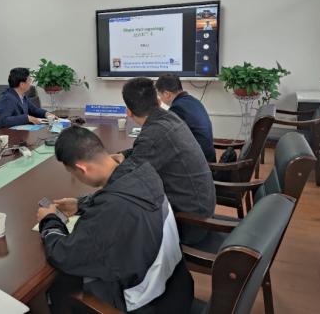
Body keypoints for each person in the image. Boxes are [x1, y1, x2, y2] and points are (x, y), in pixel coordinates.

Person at [37, 126, 194, 314]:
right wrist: (81, 203)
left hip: (151, 305)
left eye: (72, 173)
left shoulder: (111, 210)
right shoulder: (142, 171)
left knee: (60, 287)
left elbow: (65, 255)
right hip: (177, 288)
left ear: (82, 168)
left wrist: (49, 220)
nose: (75, 177)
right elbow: (120, 197)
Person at [113, 77, 216, 245]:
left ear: (128, 112)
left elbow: (124, 180)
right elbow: (153, 149)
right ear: (159, 102)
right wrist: (124, 155)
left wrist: (83, 202)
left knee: (120, 215)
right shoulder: (169, 118)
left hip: (189, 224)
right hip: (201, 209)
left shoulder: (153, 134)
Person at [155, 74, 217, 163]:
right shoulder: (192, 100)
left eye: (159, 95)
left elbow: (168, 136)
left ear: (167, 94)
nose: (160, 99)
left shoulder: (178, 108)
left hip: (199, 162)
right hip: (207, 155)